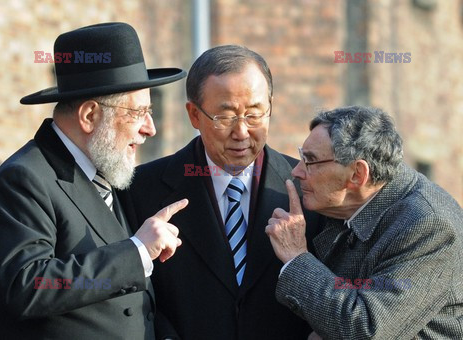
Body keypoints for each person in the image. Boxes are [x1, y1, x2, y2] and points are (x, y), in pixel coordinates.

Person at [0, 22, 188, 339]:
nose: (150, 128)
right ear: (90, 116)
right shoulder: (23, 179)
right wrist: (136, 252)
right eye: (137, 113)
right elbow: (29, 285)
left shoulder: (105, 170)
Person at [121, 45, 321, 340]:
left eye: (255, 115)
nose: (241, 132)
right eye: (225, 117)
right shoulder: (141, 189)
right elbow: (135, 298)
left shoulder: (309, 189)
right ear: (194, 115)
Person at [265, 105, 463, 339]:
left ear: (357, 174)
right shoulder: (343, 202)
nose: (296, 171)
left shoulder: (429, 226)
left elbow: (367, 330)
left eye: (310, 161)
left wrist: (296, 257)